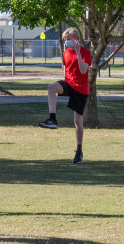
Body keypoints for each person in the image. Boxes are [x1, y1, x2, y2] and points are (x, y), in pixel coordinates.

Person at [38, 28, 92, 163]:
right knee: (51, 88)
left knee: (77, 122)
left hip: (81, 89)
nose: (66, 42)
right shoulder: (65, 53)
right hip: (69, 84)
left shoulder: (85, 53)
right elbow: (66, 70)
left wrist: (78, 53)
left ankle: (79, 151)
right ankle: (52, 119)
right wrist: (62, 86)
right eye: (65, 40)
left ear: (76, 39)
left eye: (68, 39)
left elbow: (83, 69)